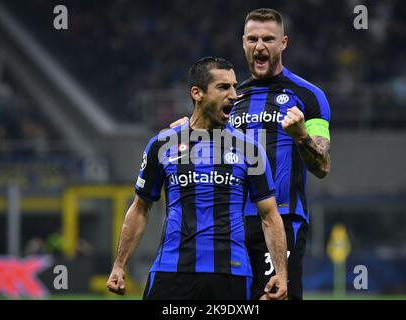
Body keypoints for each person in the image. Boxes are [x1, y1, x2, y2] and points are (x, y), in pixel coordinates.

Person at [171, 8, 331, 300]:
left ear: (283, 43)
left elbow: (322, 166)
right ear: (243, 43)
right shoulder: (232, 97)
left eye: (268, 39)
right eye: (253, 39)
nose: (260, 46)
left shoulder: (309, 96)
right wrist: (187, 131)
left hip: (283, 219)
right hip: (230, 226)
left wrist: (302, 136)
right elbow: (207, 152)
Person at [107, 57, 287, 300]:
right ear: (197, 93)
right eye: (223, 87)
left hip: (230, 274)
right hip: (172, 270)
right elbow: (140, 209)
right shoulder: (162, 144)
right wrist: (119, 264)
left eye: (234, 86)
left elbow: (270, 216)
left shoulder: (250, 149)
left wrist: (281, 272)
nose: (233, 95)